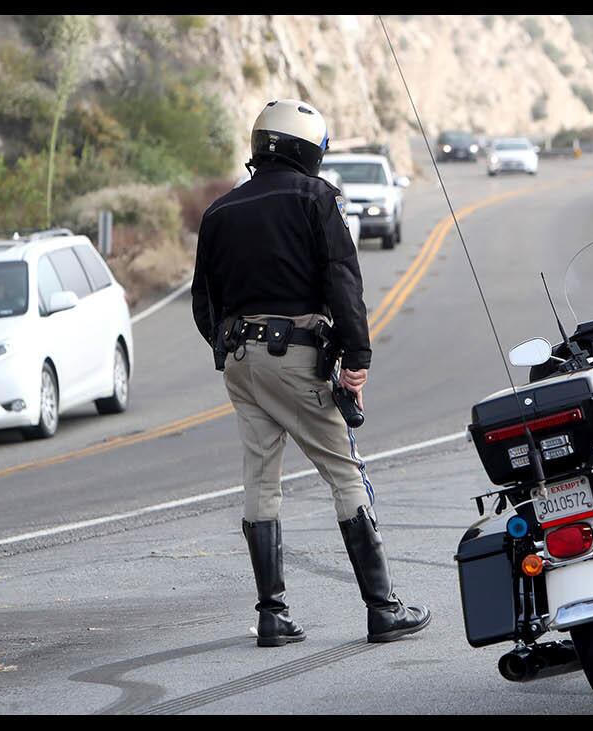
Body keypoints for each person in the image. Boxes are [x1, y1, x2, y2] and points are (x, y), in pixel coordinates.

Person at [192, 99, 430, 647]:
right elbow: (343, 282)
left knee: (260, 480)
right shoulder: (315, 198)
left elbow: (203, 300)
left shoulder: (219, 211)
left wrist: (228, 351)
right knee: (344, 472)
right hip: (295, 356)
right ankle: (382, 608)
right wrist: (357, 362)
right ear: (306, 150)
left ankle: (272, 615)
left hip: (240, 362)